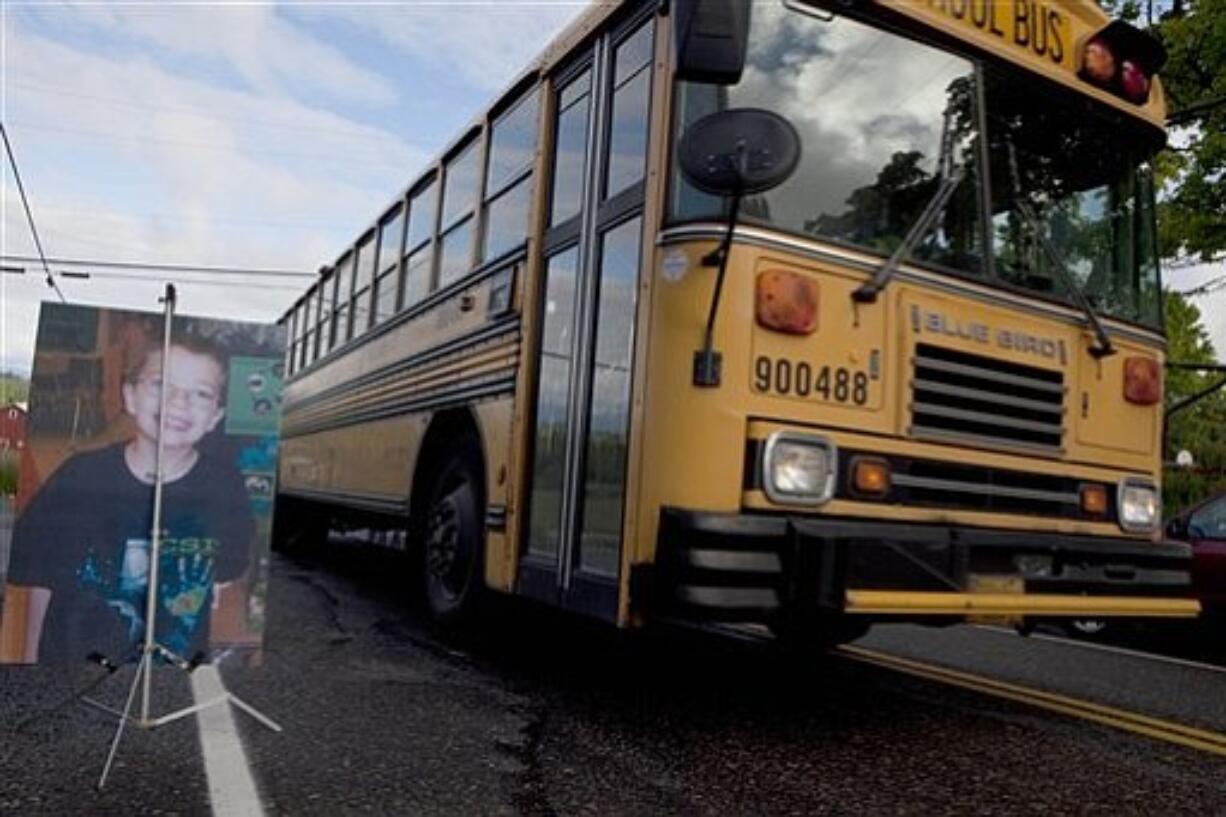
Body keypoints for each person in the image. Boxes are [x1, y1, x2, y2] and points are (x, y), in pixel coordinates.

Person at [3, 333, 254, 664]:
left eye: (201, 393)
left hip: (170, 675)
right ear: (130, 395)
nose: (179, 402)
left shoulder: (226, 490)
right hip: (73, 668)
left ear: (215, 416)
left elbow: (223, 586)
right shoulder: (77, 480)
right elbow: (42, 584)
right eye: (162, 384)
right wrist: (34, 669)